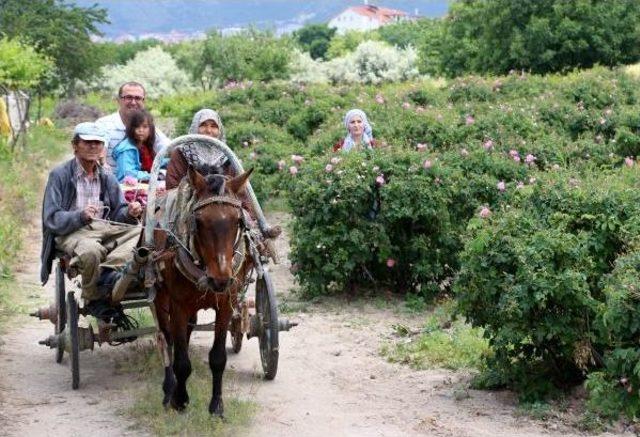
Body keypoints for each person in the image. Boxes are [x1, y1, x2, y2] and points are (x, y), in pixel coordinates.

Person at [40, 122, 144, 306]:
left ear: (103, 147)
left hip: (103, 229)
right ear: (75, 146)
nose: (93, 146)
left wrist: (129, 212)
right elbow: (51, 218)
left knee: (141, 234)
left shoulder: (106, 175)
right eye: (87, 142)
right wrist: (79, 216)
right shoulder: (59, 175)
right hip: (72, 232)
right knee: (91, 251)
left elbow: (118, 213)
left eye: (98, 142)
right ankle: (92, 297)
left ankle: (108, 274)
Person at [165, 108, 281, 239]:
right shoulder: (181, 153)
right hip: (190, 206)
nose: (209, 131)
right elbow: (173, 185)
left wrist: (248, 214)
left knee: (253, 237)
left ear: (219, 130)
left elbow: (240, 190)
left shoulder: (227, 156)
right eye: (203, 125)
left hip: (225, 204)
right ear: (194, 128)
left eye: (214, 126)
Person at [96, 81, 170, 170]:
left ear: (143, 101)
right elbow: (99, 151)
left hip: (140, 180)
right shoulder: (103, 124)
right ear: (118, 100)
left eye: (138, 98)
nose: (133, 102)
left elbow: (168, 147)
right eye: (128, 97)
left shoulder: (148, 127)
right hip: (111, 180)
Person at [112, 109, 157, 183]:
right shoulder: (126, 149)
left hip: (142, 184)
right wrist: (152, 176)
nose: (141, 130)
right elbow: (128, 173)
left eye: (145, 127)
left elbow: (156, 162)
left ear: (150, 129)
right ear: (131, 129)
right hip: (128, 188)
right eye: (137, 127)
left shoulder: (145, 145)